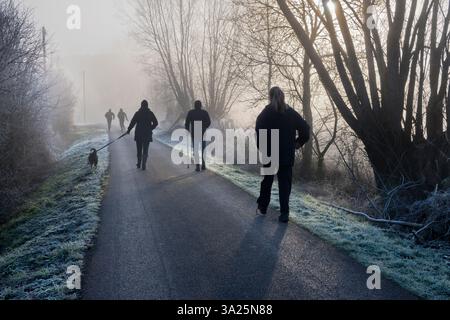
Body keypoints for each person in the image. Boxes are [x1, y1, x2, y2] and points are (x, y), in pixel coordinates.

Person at [256, 87, 310, 223]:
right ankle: (284, 213)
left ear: (270, 97)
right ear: (283, 97)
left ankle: (262, 207)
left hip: (270, 153)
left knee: (267, 181)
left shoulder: (266, 113)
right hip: (286, 153)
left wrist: (262, 149)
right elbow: (305, 129)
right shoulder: (291, 113)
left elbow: (259, 132)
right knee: (285, 185)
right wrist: (298, 143)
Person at [127, 100, 159, 171]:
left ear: (141, 105)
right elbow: (156, 123)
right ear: (147, 105)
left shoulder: (138, 113)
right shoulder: (150, 113)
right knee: (145, 149)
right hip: (147, 134)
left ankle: (139, 163)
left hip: (138, 134)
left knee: (139, 149)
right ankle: (144, 163)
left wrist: (129, 130)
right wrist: (151, 128)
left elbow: (132, 122)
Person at [185, 100, 211, 172]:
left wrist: (187, 130)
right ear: (201, 105)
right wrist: (204, 126)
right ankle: (203, 164)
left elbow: (187, 122)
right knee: (203, 149)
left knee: (196, 150)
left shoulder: (191, 112)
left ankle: (197, 166)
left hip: (195, 132)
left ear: (194, 105)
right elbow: (209, 122)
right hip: (203, 132)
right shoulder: (204, 112)